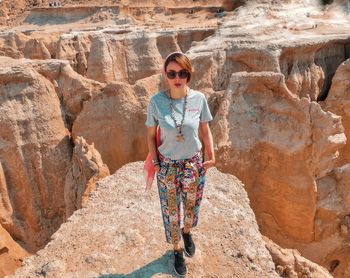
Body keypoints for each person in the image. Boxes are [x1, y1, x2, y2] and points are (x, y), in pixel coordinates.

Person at [145, 52, 215, 276]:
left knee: (191, 205)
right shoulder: (156, 102)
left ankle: (187, 232)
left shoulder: (199, 99)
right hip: (167, 166)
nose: (177, 77)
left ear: (189, 75)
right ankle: (177, 250)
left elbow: (205, 129)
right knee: (171, 210)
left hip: (193, 164)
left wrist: (210, 155)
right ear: (165, 75)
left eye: (182, 73)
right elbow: (149, 135)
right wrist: (155, 162)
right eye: (172, 73)